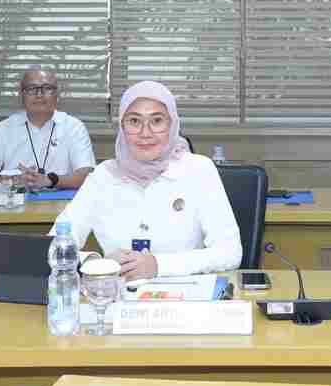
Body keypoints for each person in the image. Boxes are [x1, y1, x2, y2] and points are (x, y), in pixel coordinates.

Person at [52, 81, 241, 280]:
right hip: (116, 294)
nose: (145, 133)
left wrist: (158, 265)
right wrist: (95, 263)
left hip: (187, 295)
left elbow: (230, 253)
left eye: (157, 121)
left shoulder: (199, 170)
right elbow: (54, 245)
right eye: (134, 121)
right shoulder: (103, 176)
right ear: (122, 127)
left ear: (172, 125)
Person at [0, 66, 96, 191]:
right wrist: (12, 180)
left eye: (47, 88)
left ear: (57, 94)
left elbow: (86, 175)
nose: (39, 95)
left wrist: (49, 180)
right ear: (21, 94)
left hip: (62, 202)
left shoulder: (74, 127)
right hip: (15, 200)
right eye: (32, 88)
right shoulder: (3, 129)